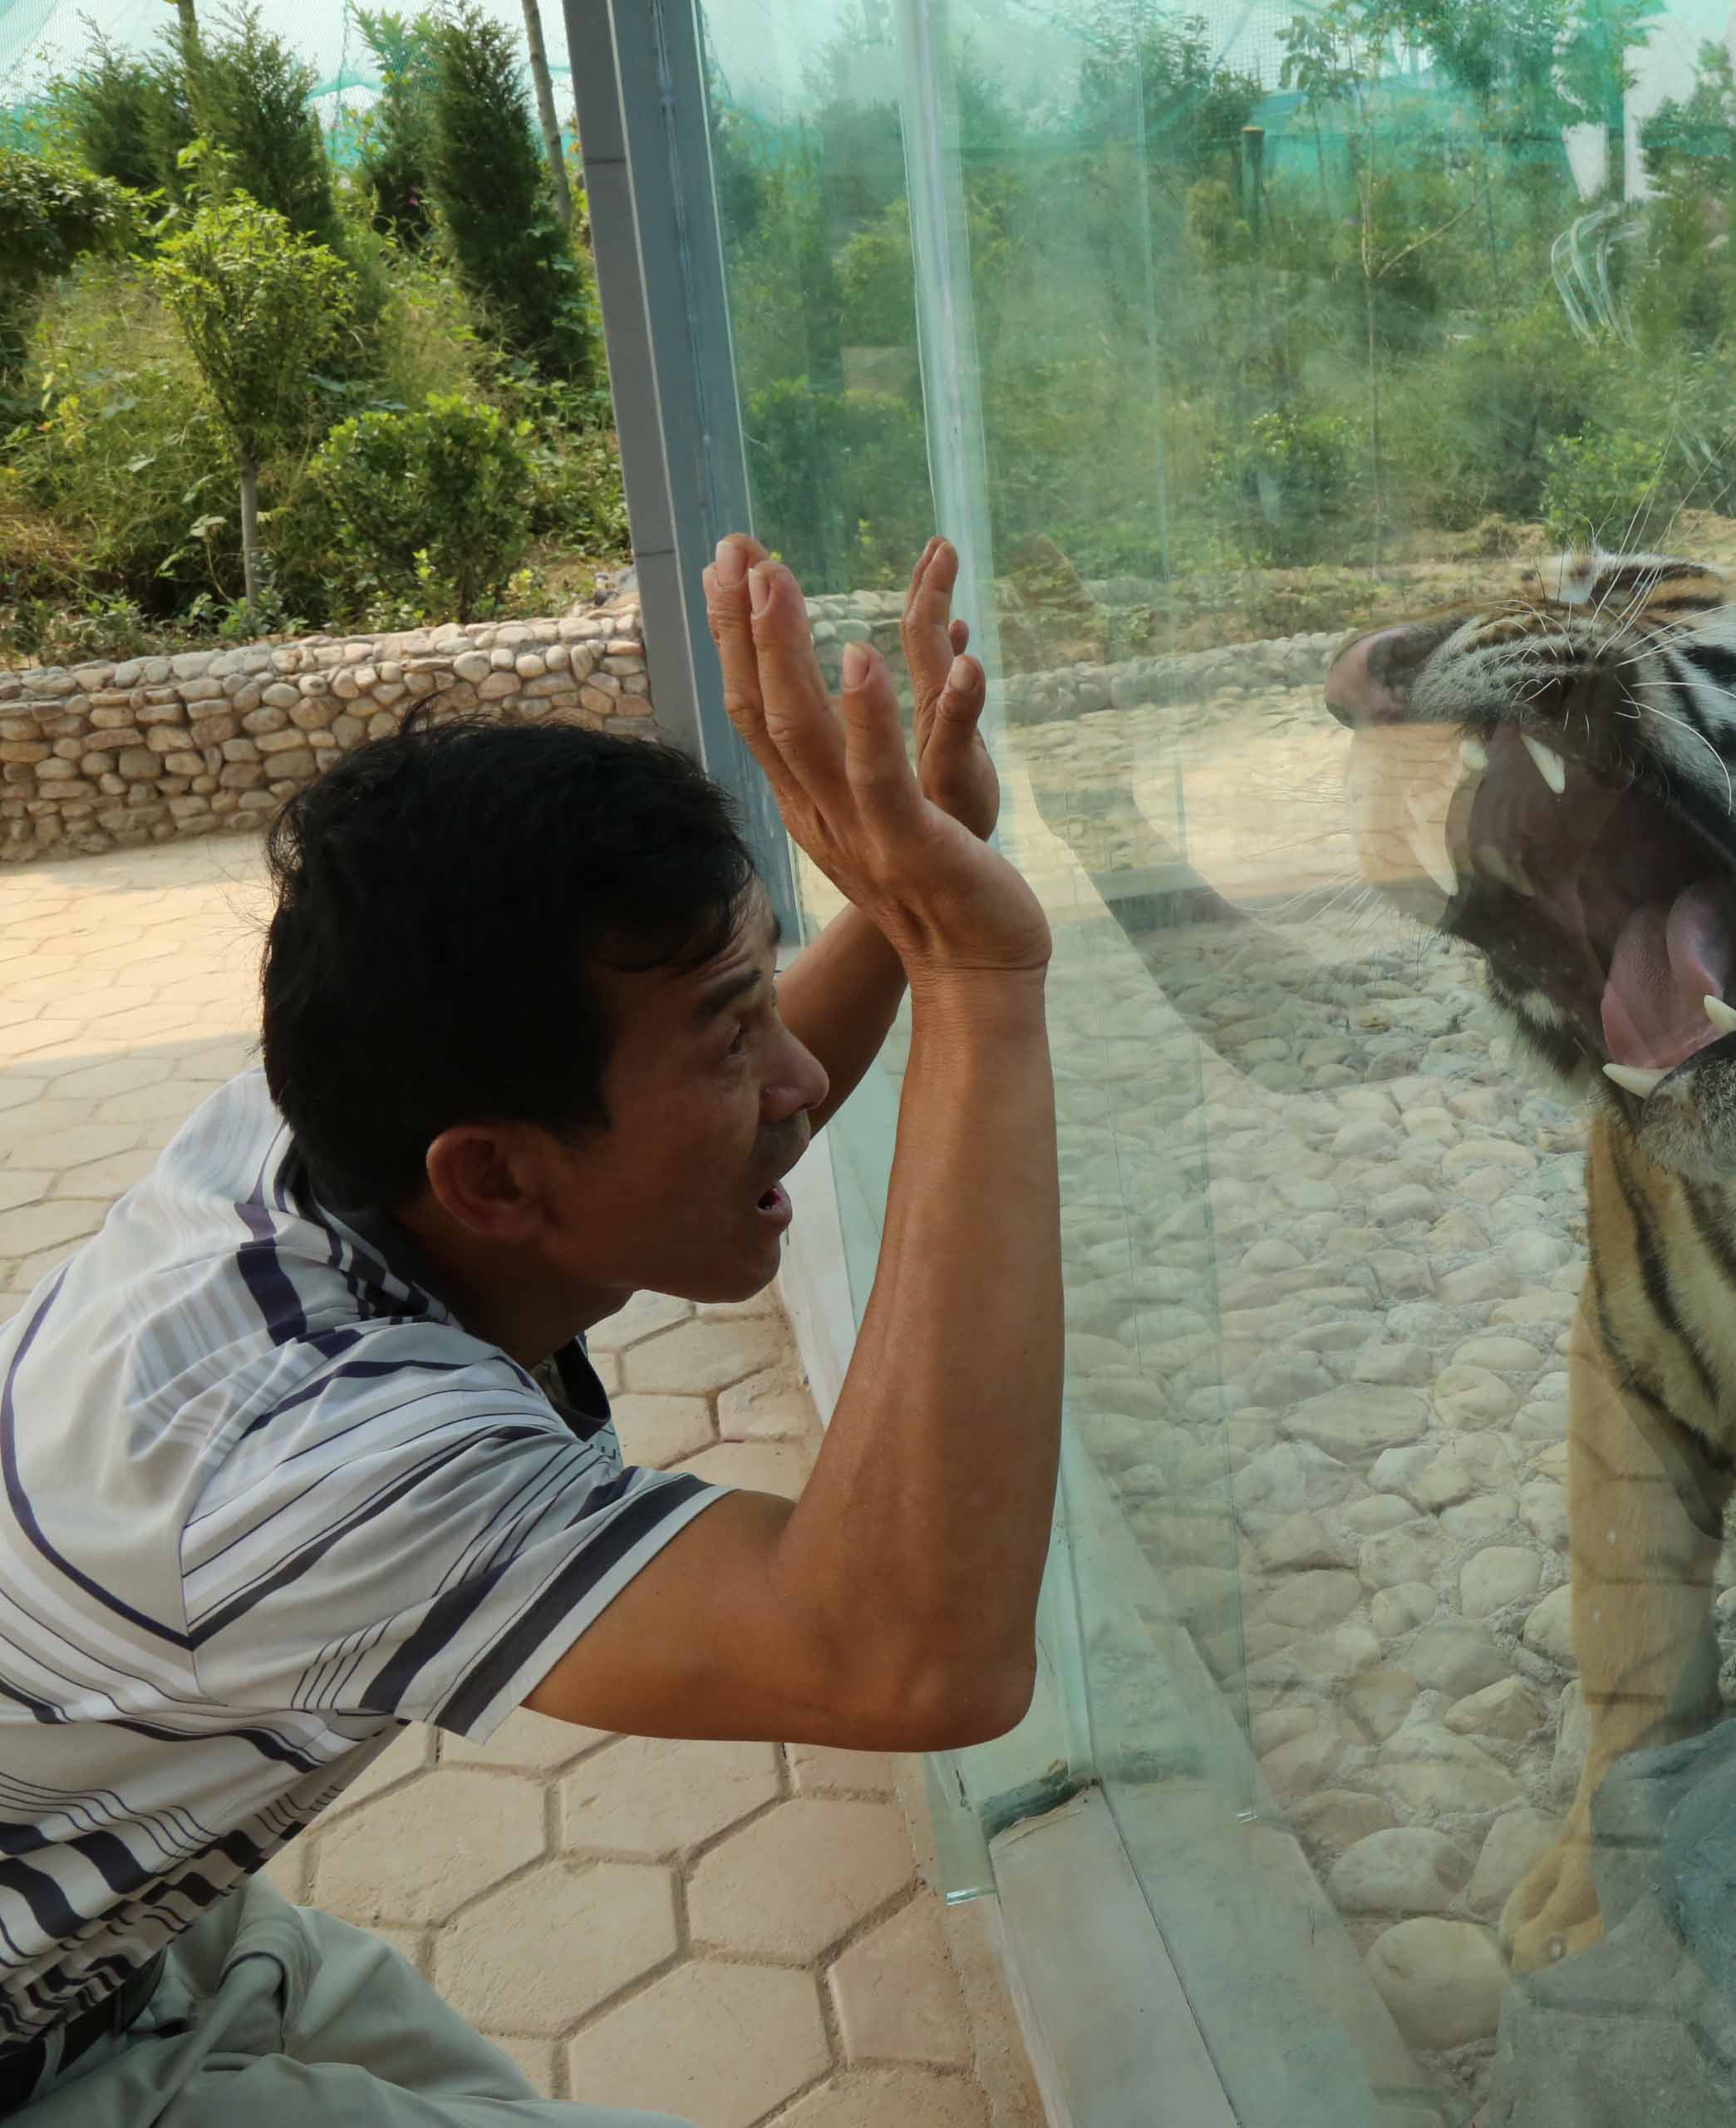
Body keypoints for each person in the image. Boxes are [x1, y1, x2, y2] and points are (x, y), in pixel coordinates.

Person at [0, 534, 1060, 2124]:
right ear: (488, 1173)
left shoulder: (323, 1126)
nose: (793, 1086)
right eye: (728, 1034)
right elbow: (908, 1656)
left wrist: (911, 921)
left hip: (123, 1941)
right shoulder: (301, 1464)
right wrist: (983, 975)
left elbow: (680, 1138)